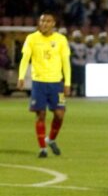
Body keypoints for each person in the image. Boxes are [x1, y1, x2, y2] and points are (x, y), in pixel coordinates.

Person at [17, 12, 71, 158]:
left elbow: (66, 62)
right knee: (40, 114)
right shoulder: (32, 39)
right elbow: (25, 58)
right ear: (39, 23)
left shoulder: (61, 40)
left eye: (48, 21)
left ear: (54, 24)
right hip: (39, 82)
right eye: (42, 21)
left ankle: (51, 139)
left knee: (59, 114)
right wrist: (21, 76)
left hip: (56, 83)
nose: (45, 24)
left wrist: (67, 82)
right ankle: (43, 149)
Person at [69, 30, 87, 97]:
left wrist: (82, 57)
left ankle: (81, 91)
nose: (77, 38)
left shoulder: (83, 45)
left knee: (81, 79)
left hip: (82, 64)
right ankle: (74, 91)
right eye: (76, 37)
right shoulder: (71, 45)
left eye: (78, 37)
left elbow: (85, 54)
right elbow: (71, 54)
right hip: (75, 64)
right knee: (75, 79)